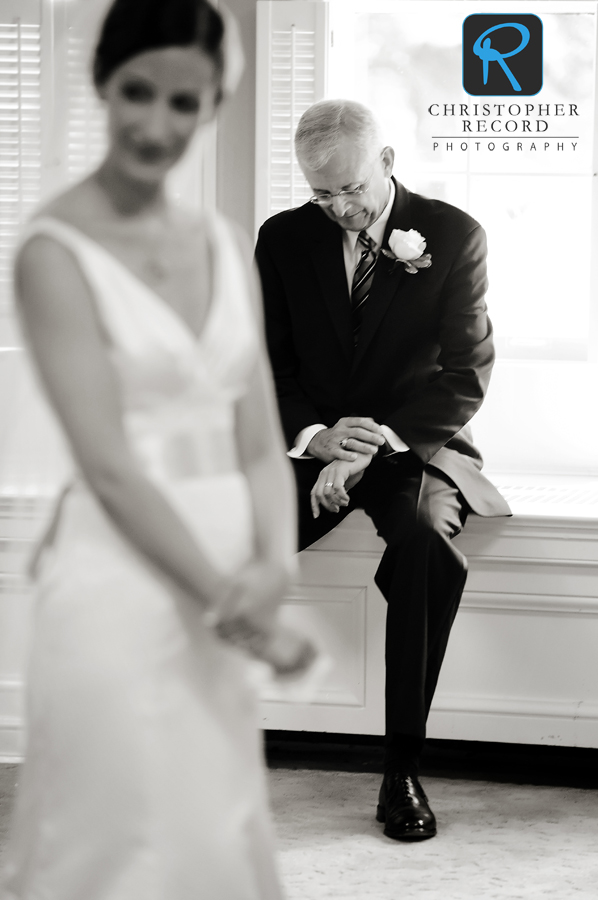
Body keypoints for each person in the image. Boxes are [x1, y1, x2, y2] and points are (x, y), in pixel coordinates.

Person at [1, 1, 315, 897]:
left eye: (186, 102)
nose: (156, 124)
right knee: (118, 832)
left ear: (214, 106)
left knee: (209, 822)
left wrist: (273, 566)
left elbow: (258, 430)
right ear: (102, 83)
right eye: (137, 92)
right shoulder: (52, 251)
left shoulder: (219, 239)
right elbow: (108, 466)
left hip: (228, 558)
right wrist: (236, 604)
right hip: (119, 569)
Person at [255, 99, 512, 842]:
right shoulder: (282, 239)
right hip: (314, 445)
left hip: (414, 448)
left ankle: (401, 768)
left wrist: (373, 447)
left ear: (388, 161)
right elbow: (269, 364)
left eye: (351, 189)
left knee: (428, 545)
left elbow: (466, 375)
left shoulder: (455, 233)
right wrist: (318, 438)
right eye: (320, 192)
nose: (338, 207)